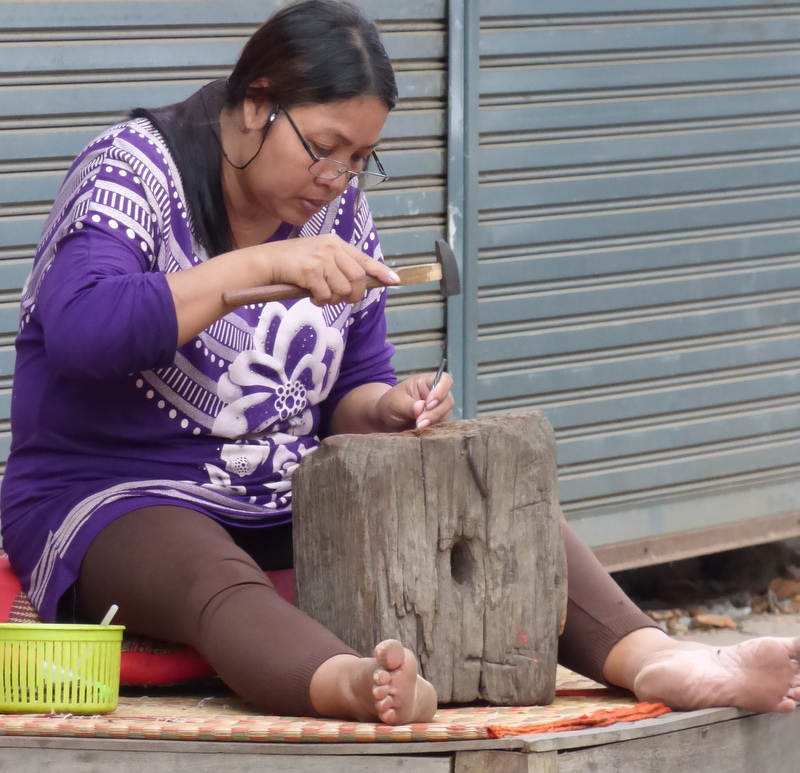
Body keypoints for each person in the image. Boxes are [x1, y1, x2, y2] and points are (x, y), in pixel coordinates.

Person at [1, 0, 798, 724]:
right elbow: (82, 331)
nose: (337, 179)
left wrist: (387, 406)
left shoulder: (335, 202)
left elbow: (350, 386)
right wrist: (254, 273)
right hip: (110, 488)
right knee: (205, 569)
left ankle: (659, 656)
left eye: (359, 159)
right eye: (325, 148)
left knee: (487, 500)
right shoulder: (130, 172)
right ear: (255, 103)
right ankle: (350, 682)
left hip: (279, 490)